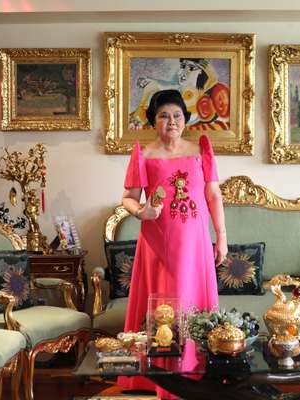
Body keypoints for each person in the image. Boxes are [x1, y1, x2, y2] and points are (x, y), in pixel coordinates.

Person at [118, 89, 228, 398]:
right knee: (164, 306)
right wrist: (142, 211)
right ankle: (161, 378)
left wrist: (222, 236)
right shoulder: (144, 155)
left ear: (186, 119)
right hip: (157, 243)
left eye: (177, 115)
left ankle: (196, 371)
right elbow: (127, 198)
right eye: (164, 116)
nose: (171, 121)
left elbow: (213, 195)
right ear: (154, 120)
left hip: (194, 243)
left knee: (192, 300)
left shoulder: (200, 150)